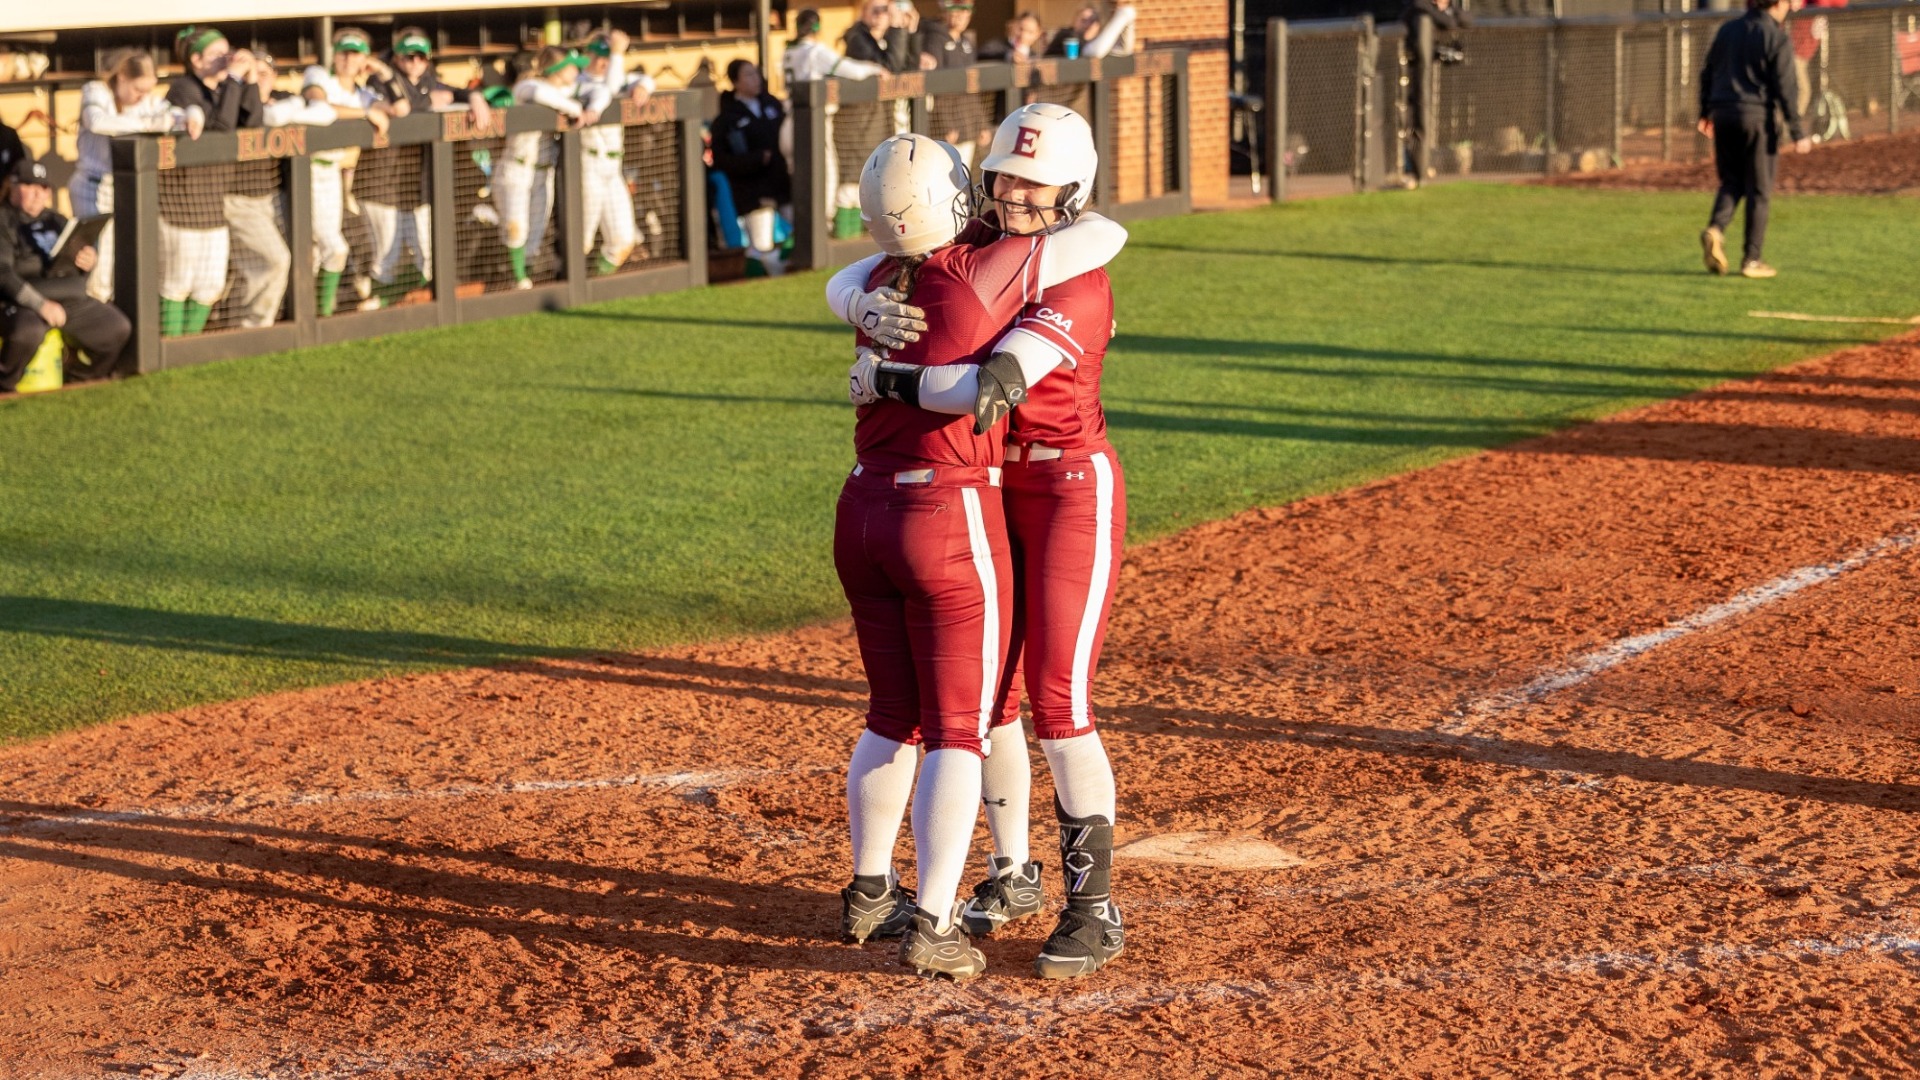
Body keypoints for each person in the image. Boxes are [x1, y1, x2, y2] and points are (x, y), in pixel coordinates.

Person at [830, 103, 1127, 980]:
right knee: (988, 696)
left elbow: (997, 383)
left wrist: (881, 369)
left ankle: (1094, 906)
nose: (1014, 193)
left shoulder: (1075, 270)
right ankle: (1009, 871)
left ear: (1072, 189)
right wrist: (860, 302)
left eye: (1035, 182)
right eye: (1004, 176)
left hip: (1067, 486)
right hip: (990, 488)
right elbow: (859, 271)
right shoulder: (978, 254)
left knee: (1058, 701)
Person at [1698, 0, 1812, 279]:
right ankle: (1752, 259)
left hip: (1723, 115)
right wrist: (1797, 131)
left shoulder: (1727, 30)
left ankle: (1716, 229)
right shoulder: (1776, 36)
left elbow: (1707, 73)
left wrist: (1705, 111)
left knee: (1732, 181)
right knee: (1759, 190)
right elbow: (1786, 88)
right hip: (1757, 119)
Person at [2, 159, 132, 392]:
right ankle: (5, 387)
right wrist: (41, 305)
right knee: (27, 333)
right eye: (29, 186)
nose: (37, 194)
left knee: (118, 328)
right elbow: (3, 275)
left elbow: (75, 261)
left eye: (43, 188)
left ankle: (79, 379)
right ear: (13, 186)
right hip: (23, 300)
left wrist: (88, 262)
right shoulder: (4, 221)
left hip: (68, 296)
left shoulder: (56, 220)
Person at [75, 50, 190, 304]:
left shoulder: (147, 101)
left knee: (129, 260)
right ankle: (92, 334)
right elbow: (97, 122)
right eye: (138, 89)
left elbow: (179, 115)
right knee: (99, 267)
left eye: (148, 90)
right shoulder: (96, 90)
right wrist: (149, 124)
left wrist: (193, 115)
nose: (143, 96)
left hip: (127, 190)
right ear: (123, 77)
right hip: (93, 187)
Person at [161, 26, 251, 336]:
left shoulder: (224, 88)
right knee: (178, 282)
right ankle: (170, 348)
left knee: (210, 284)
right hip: (181, 204)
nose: (227, 59)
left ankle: (190, 346)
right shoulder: (184, 88)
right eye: (218, 54)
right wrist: (235, 79)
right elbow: (223, 125)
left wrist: (247, 80)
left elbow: (252, 121)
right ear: (196, 59)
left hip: (214, 202)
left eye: (229, 51)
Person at [495, 46, 607, 290]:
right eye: (571, 65)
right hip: (516, 168)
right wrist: (575, 108)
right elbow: (540, 93)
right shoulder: (527, 85)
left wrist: (592, 108)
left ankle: (525, 285)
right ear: (557, 68)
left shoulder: (568, 89)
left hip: (543, 170)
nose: (577, 70)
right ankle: (518, 280)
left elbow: (601, 90)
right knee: (516, 229)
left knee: (534, 236)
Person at [303, 28, 396, 316]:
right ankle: (320, 314)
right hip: (305, 170)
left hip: (333, 172)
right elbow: (318, 103)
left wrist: (383, 72)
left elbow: (398, 108)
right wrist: (365, 114)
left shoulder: (364, 93)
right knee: (333, 248)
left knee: (320, 250)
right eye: (343, 51)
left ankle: (313, 313)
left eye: (354, 53)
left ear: (363, 59)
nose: (347, 58)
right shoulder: (318, 75)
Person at [781, 9, 888, 242]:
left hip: (788, 124)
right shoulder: (814, 51)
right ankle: (818, 238)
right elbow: (853, 70)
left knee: (799, 186)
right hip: (811, 125)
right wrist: (876, 69)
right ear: (817, 28)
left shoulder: (788, 51)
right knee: (825, 182)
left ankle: (799, 235)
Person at [577, 30, 656, 276]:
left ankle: (594, 283)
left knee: (623, 240)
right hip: (586, 165)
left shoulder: (617, 76)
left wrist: (643, 85)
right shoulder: (578, 81)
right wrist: (618, 53)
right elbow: (609, 90)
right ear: (588, 54)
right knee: (581, 241)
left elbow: (647, 80)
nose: (605, 61)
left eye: (608, 56)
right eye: (601, 55)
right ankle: (570, 289)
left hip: (613, 170)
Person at [834, 0, 917, 237]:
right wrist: (897, 29)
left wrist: (909, 31)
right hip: (857, 124)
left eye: (886, 10)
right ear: (863, 12)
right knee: (852, 186)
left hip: (882, 120)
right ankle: (844, 241)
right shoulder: (856, 37)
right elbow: (890, 66)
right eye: (877, 10)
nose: (883, 15)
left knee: (879, 181)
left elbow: (908, 67)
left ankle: (871, 237)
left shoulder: (888, 37)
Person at [713, 59, 790, 276]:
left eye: (756, 73)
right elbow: (721, 159)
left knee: (799, 230)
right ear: (735, 81)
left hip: (782, 184)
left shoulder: (772, 104)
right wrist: (754, 159)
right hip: (752, 191)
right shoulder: (727, 118)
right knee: (762, 245)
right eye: (748, 75)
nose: (755, 79)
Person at [1401, 0, 1468, 187]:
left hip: (1424, 78)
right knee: (1406, 121)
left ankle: (1418, 166)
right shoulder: (1419, 6)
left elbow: (1466, 19)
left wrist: (1448, 11)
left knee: (1421, 120)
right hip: (1405, 74)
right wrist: (1446, 15)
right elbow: (1448, 22)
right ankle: (1411, 168)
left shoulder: (1447, 7)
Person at [919, 2, 992, 170]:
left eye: (965, 11)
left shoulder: (966, 42)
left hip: (968, 124)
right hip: (945, 127)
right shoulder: (934, 38)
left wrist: (981, 123)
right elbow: (935, 87)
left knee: (963, 177)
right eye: (955, 10)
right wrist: (945, 124)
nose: (959, 15)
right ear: (944, 12)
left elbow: (972, 88)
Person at [978, 12, 1045, 63]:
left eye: (1030, 32)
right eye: (1021, 29)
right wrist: (1008, 56)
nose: (1023, 35)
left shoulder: (1034, 57)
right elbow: (981, 55)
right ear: (1014, 26)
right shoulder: (996, 45)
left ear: (1038, 34)